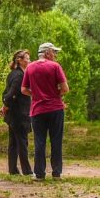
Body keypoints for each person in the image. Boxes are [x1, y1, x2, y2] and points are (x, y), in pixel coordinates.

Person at [22, 43, 67, 180]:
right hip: (55, 108)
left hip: (38, 110)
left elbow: (23, 89)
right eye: (54, 52)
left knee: (39, 141)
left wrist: (36, 94)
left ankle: (40, 174)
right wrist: (55, 94)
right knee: (56, 141)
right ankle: (56, 173)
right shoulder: (55, 67)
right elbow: (65, 88)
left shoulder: (30, 67)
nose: (55, 55)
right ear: (47, 53)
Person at [0, 49, 32, 176]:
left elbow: (5, 94)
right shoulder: (19, 76)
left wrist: (5, 106)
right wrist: (6, 106)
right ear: (20, 60)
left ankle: (13, 169)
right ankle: (27, 170)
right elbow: (10, 95)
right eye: (27, 58)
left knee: (13, 142)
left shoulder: (13, 74)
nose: (29, 61)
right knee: (22, 142)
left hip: (14, 115)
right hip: (19, 115)